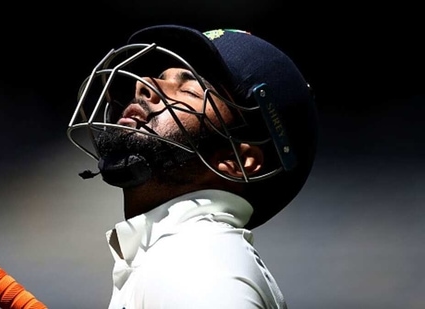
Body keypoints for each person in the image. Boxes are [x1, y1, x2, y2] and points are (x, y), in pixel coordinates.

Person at [67, 24, 318, 309]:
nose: (143, 84)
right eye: (161, 76)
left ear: (237, 161)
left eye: (188, 90)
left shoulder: (198, 260)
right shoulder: (183, 256)